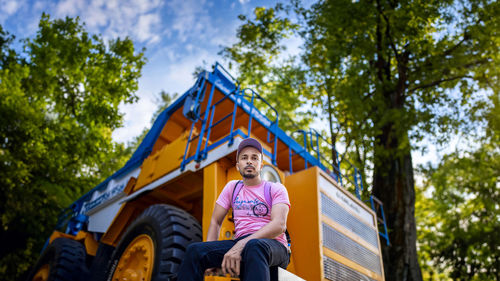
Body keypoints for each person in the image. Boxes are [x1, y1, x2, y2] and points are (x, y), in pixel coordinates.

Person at [177, 138, 291, 281]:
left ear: (261, 165)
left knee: (254, 246)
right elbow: (215, 221)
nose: (249, 161)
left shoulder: (275, 188)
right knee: (195, 251)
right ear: (238, 166)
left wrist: (242, 244)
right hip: (243, 243)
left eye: (254, 158)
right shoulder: (233, 187)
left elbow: (279, 225)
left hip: (274, 245)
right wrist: (210, 256)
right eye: (244, 158)